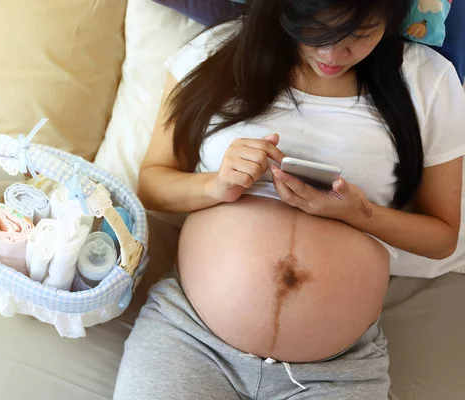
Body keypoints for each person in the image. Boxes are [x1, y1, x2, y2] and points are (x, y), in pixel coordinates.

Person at [114, 0, 465, 398]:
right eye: (315, 30)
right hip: (191, 339)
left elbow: (442, 238)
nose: (332, 54)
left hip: (337, 369)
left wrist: (360, 213)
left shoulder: (427, 80)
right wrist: (216, 185)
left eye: (358, 35)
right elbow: (151, 183)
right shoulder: (214, 54)